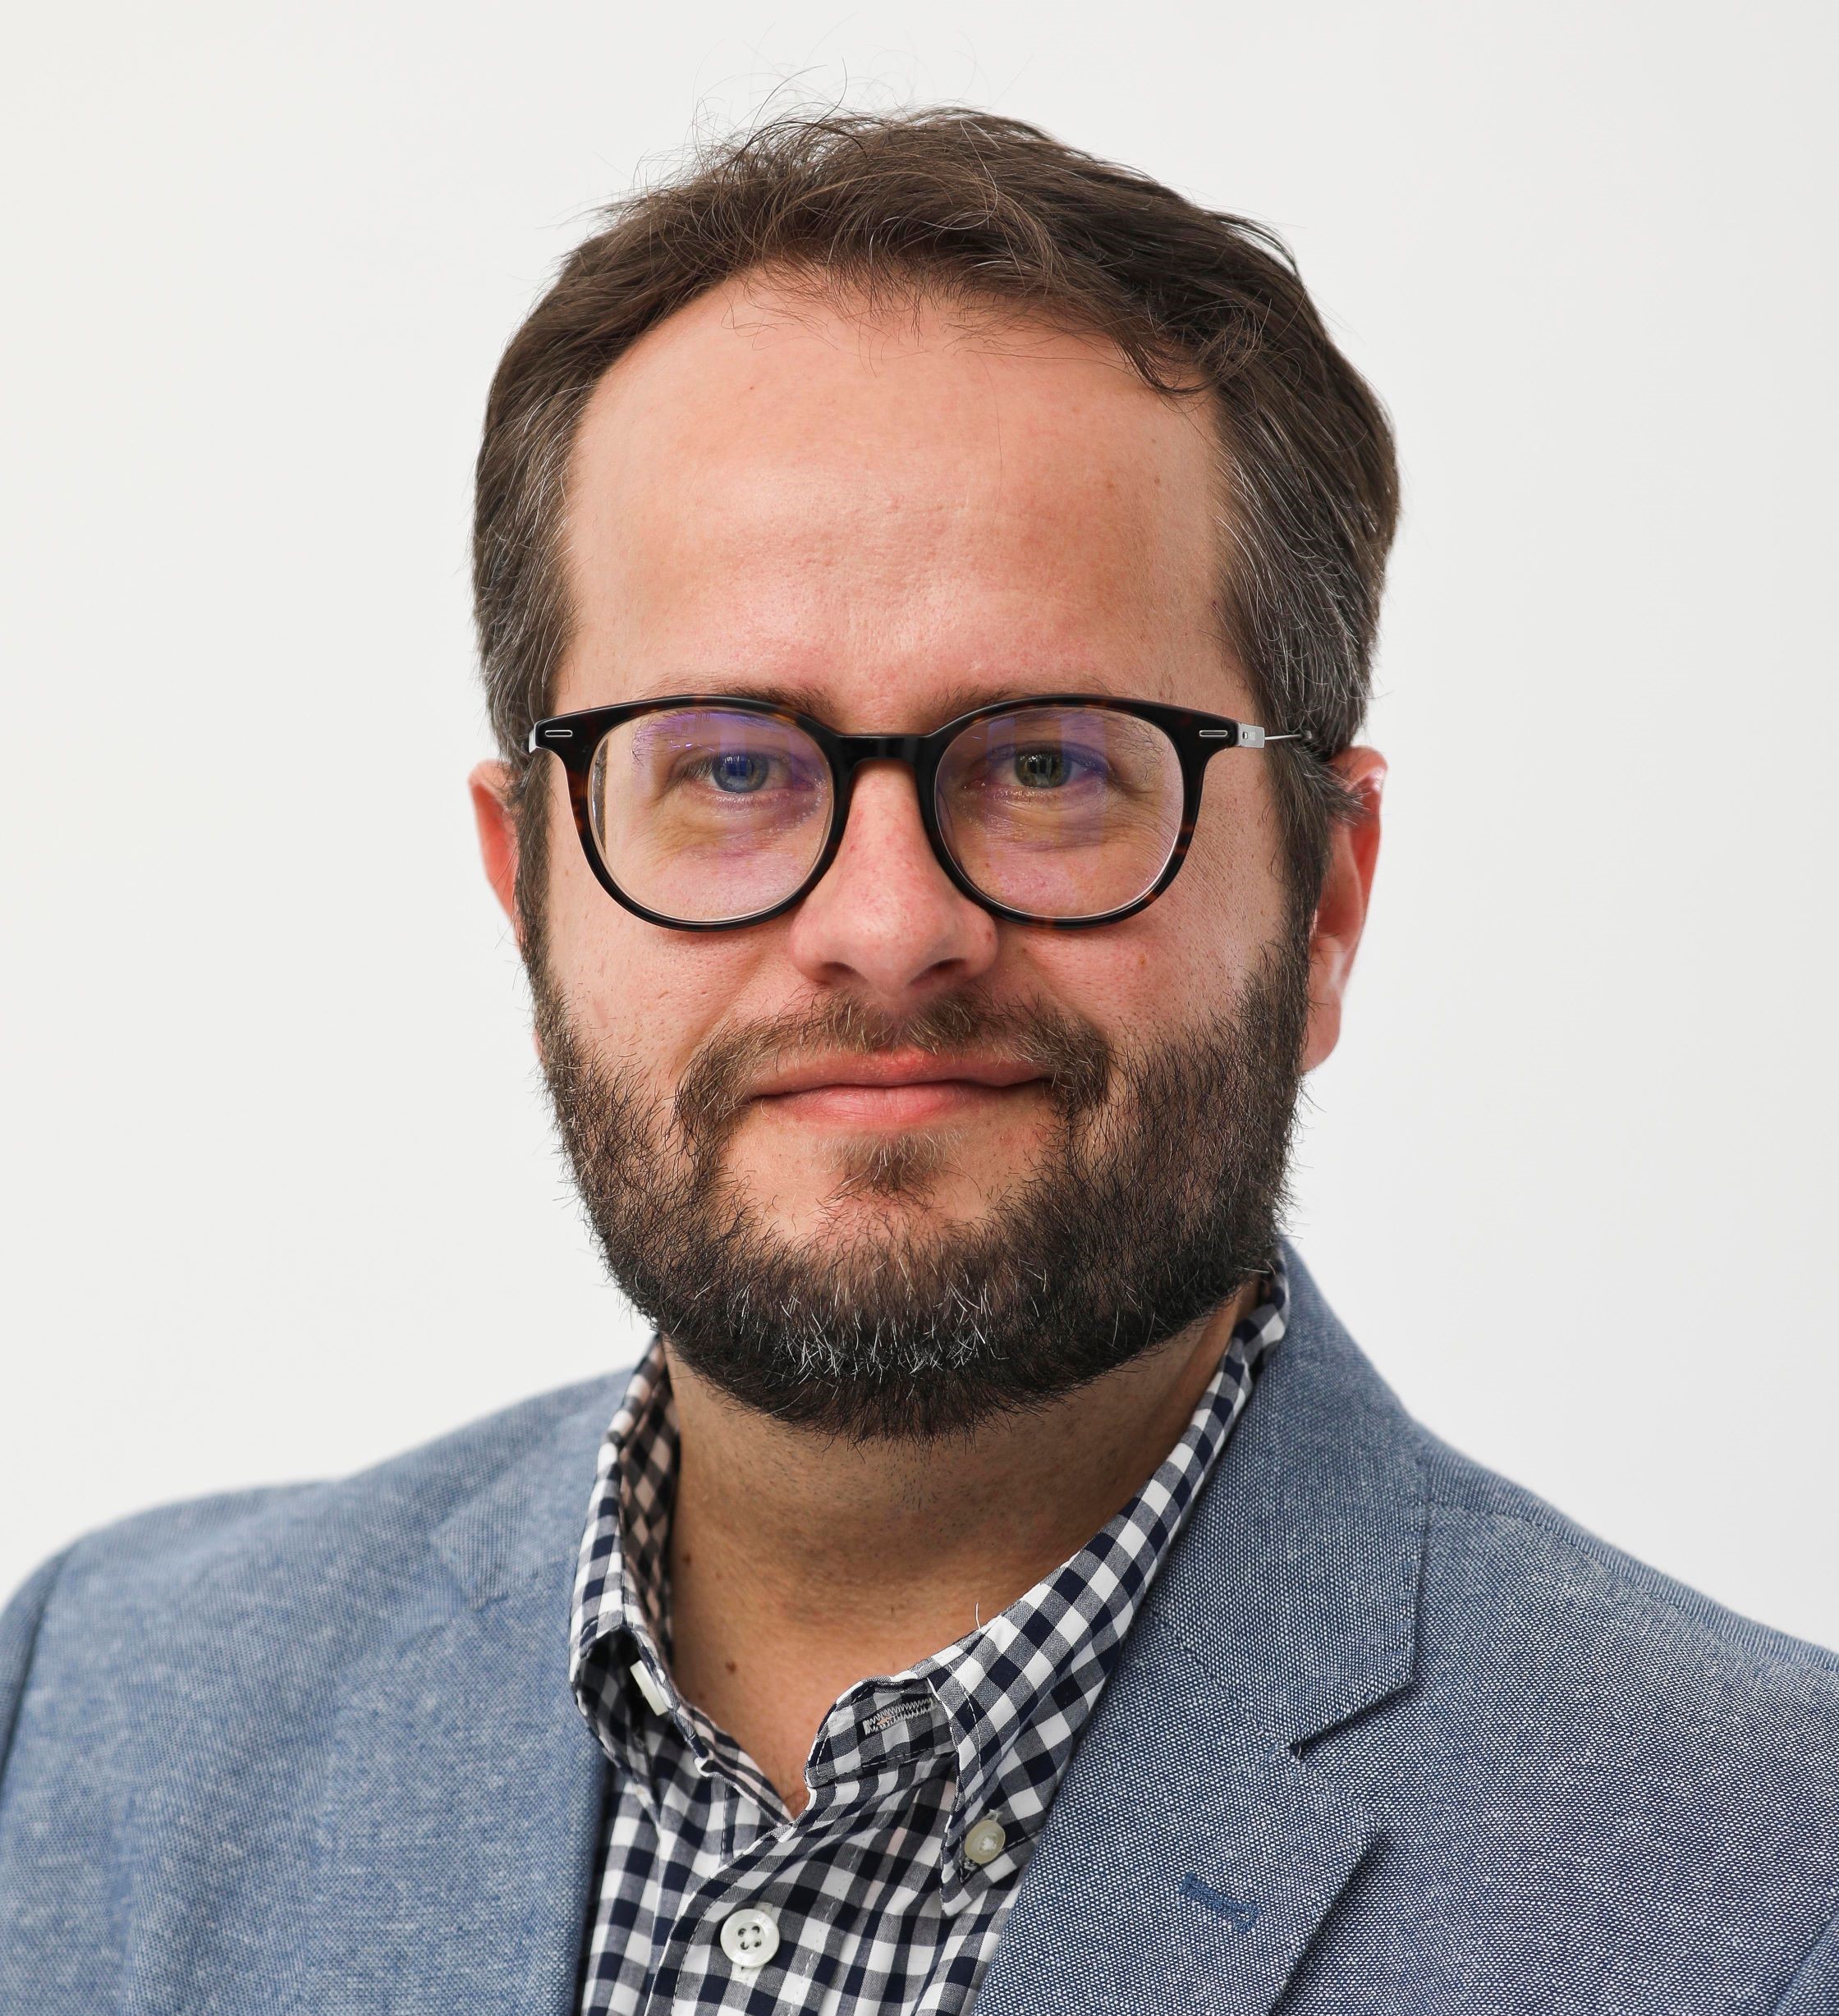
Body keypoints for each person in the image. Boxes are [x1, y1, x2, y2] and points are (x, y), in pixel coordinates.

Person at [2, 105, 1835, 2014]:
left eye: (1046, 763)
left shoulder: (1776, 1896)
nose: (884, 926)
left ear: (1323, 902)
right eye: (728, 765)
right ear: (525, 885)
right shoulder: (91, 1729)